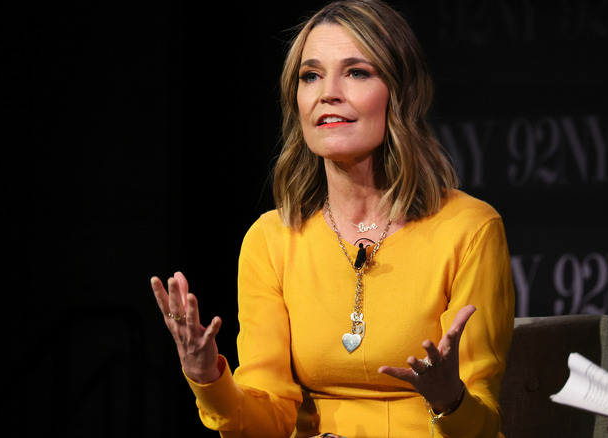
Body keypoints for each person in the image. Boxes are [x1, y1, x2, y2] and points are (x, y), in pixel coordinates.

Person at [150, 1, 515, 436]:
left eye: (356, 72)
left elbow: (484, 422)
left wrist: (448, 399)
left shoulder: (469, 229)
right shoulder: (271, 239)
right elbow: (269, 419)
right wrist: (208, 378)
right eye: (311, 76)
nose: (328, 93)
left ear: (400, 93)